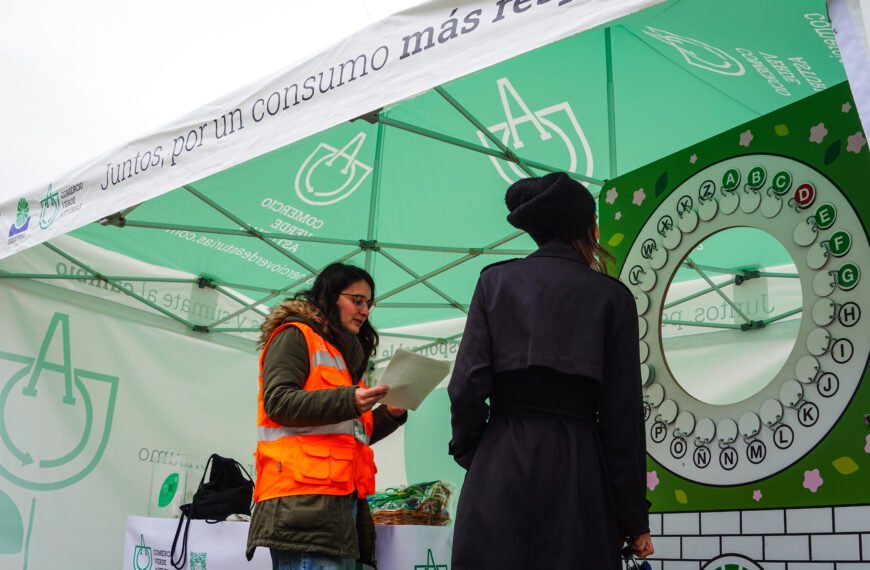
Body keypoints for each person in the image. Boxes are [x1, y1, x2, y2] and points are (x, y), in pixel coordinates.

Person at [448, 172, 654, 569]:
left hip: (500, 459)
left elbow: (465, 387)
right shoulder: (612, 297)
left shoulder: (495, 281)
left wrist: (477, 450)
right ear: (588, 226)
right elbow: (622, 417)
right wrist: (633, 518)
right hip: (578, 467)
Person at [246, 262, 407, 570]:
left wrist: (391, 414)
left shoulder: (342, 357)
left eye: (369, 304)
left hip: (336, 506)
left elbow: (356, 432)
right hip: (300, 504)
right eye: (357, 300)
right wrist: (348, 399)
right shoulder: (295, 335)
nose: (364, 310)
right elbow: (278, 403)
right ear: (330, 297)